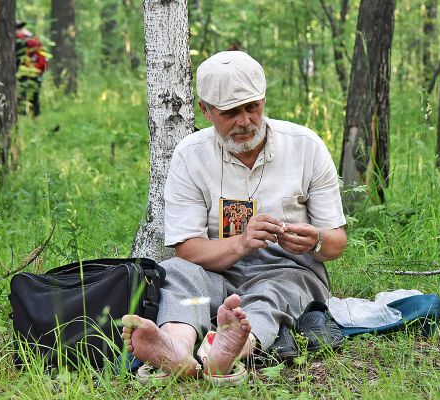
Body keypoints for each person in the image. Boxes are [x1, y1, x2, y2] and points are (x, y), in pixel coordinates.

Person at [121, 51, 347, 381]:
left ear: (263, 100)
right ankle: (176, 346)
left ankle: (229, 348)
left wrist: (316, 241)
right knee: (181, 276)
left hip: (289, 270)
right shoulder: (190, 154)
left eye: (252, 108)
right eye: (230, 112)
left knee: (270, 294)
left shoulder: (305, 146)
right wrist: (240, 244)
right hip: (216, 280)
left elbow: (336, 243)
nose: (244, 121)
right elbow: (187, 249)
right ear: (206, 110)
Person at [16, 21, 48, 117]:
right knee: (33, 96)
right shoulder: (33, 38)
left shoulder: (22, 40)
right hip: (36, 71)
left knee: (24, 95)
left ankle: (26, 117)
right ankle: (35, 117)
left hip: (27, 72)